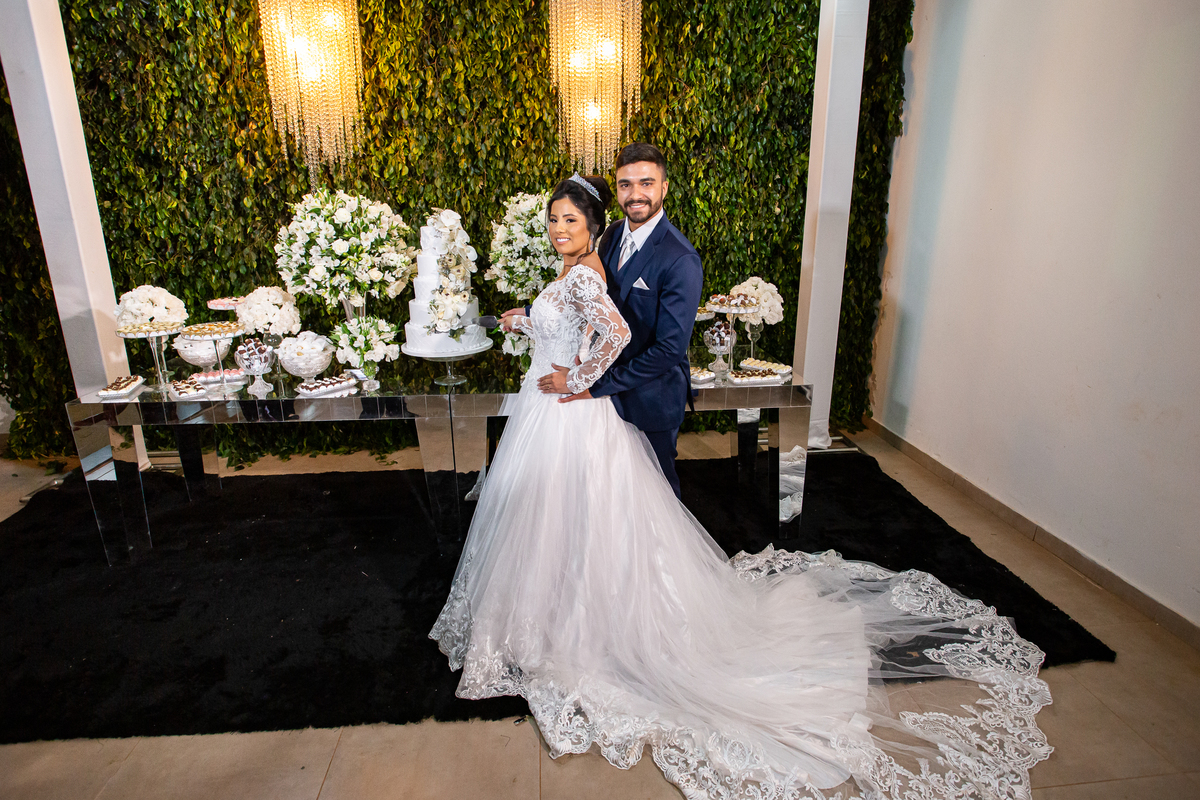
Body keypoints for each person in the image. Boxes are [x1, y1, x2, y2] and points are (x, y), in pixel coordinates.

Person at [431, 172, 1053, 800]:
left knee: (581, 515)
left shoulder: (602, 271)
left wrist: (579, 380)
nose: (559, 229)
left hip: (572, 413)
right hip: (550, 411)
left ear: (595, 224)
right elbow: (573, 327)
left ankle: (589, 625)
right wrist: (529, 323)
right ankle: (558, 611)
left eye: (570, 219)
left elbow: (616, 335)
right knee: (558, 517)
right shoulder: (586, 264)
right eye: (553, 219)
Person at [529, 143, 702, 499]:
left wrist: (590, 383)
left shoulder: (680, 258)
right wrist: (535, 314)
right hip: (602, 399)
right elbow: (588, 299)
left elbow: (669, 350)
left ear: (664, 187)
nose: (635, 194)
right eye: (626, 184)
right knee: (605, 497)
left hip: (649, 397)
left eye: (646, 183)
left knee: (655, 499)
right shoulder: (610, 235)